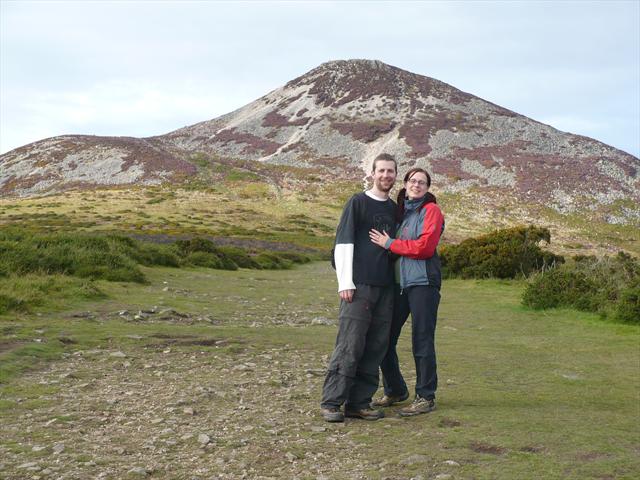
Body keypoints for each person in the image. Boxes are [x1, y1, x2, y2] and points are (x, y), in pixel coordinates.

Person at [320, 153, 398, 423]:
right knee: (350, 344)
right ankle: (332, 402)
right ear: (372, 173)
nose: (386, 176)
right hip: (358, 286)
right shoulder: (358, 202)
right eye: (382, 171)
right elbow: (343, 242)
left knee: (375, 346)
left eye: (391, 171)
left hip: (385, 287)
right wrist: (345, 282)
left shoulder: (393, 209)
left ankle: (359, 403)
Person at [369, 167, 444, 416]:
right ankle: (396, 389)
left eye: (422, 182)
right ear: (406, 183)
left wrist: (390, 243)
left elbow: (425, 247)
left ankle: (425, 396)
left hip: (423, 284)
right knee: (384, 338)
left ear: (427, 188)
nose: (417, 185)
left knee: (421, 340)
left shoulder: (430, 211)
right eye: (413, 180)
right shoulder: (401, 214)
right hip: (399, 286)